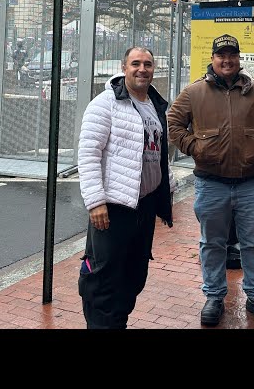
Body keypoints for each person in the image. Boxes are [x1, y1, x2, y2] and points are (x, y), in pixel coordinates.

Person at [168, 34, 254, 326]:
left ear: (239, 59)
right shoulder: (195, 92)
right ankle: (213, 296)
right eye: (221, 55)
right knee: (212, 243)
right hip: (211, 183)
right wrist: (195, 148)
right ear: (213, 59)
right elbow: (173, 121)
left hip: (250, 183)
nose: (227, 60)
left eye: (231, 55)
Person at [77, 46, 176, 329]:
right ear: (124, 68)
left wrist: (163, 195)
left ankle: (117, 323)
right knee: (103, 277)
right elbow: (88, 154)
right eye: (136, 63)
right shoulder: (105, 104)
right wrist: (96, 202)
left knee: (134, 274)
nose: (142, 69)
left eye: (147, 64)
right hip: (113, 207)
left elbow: (157, 153)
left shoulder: (155, 105)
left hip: (143, 206)